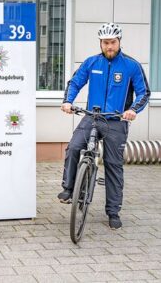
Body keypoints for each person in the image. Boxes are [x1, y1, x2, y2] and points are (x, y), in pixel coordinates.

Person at [58, 23, 150, 230]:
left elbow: (144, 93)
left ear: (119, 42)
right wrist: (68, 101)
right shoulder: (92, 62)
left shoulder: (131, 66)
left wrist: (133, 110)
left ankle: (113, 211)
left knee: (113, 165)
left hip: (116, 121)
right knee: (73, 147)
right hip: (92, 116)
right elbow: (75, 82)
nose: (109, 46)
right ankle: (69, 188)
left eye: (113, 43)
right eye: (105, 43)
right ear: (100, 43)